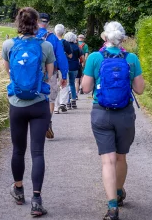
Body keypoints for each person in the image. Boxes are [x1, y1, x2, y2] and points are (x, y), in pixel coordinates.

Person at [81, 22, 145, 220]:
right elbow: (140, 89)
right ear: (123, 39)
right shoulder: (131, 58)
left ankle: (112, 208)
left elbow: (84, 88)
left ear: (104, 38)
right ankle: (118, 193)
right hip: (125, 114)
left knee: (107, 160)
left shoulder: (94, 57)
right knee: (120, 157)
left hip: (101, 113)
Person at [2, 7, 54, 217]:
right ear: (36, 24)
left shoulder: (8, 45)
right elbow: (49, 75)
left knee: (18, 150)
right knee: (38, 152)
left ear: (18, 23)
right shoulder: (46, 46)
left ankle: (19, 190)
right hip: (39, 105)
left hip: (16, 104)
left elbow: (8, 72)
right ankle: (37, 200)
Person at [36, 13, 68, 138]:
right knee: (50, 98)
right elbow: (61, 57)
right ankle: (47, 121)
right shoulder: (53, 38)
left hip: (33, 73)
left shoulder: (29, 36)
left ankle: (36, 124)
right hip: (50, 73)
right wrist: (64, 75)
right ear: (48, 23)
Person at [54, 24, 73, 112]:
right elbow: (70, 55)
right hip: (63, 67)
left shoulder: (52, 41)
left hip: (53, 67)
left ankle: (55, 107)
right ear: (63, 32)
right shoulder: (65, 43)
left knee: (55, 85)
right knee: (64, 84)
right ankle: (62, 103)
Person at [64, 32, 81, 109]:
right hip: (75, 67)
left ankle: (67, 102)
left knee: (66, 85)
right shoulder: (77, 47)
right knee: (72, 83)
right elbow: (82, 57)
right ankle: (73, 100)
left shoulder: (64, 46)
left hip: (66, 67)